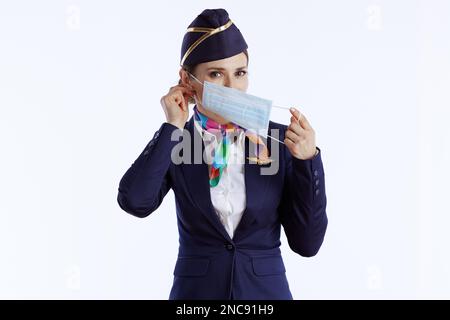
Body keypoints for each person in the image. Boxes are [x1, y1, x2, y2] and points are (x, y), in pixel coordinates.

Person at [117, 8, 328, 300]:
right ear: (187, 80)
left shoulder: (281, 141)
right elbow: (135, 202)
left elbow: (308, 244)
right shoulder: (178, 141)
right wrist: (172, 126)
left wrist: (308, 161)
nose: (232, 87)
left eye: (239, 73)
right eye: (216, 74)